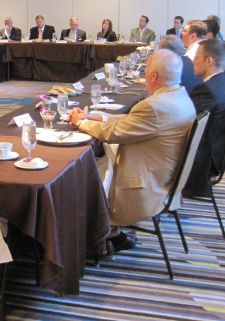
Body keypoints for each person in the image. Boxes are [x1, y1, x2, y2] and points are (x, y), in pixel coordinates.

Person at [69, 49, 195, 253]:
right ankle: (106, 233)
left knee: (78, 176)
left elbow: (114, 133)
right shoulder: (179, 97)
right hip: (163, 177)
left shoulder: (154, 107)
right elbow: (133, 122)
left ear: (153, 75)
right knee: (95, 164)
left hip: (144, 186)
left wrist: (81, 122)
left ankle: (102, 235)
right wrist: (95, 117)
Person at [183, 39, 225, 198]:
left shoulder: (206, 90)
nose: (193, 61)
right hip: (216, 152)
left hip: (204, 158)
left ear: (208, 61)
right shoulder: (224, 84)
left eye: (196, 57)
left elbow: (188, 125)